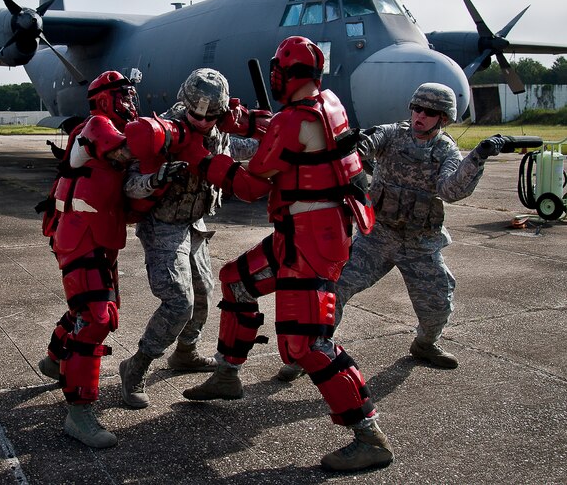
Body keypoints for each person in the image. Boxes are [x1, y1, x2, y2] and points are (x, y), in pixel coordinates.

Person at [183, 37, 394, 472]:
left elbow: (249, 185)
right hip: (304, 233)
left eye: (278, 70)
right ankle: (227, 375)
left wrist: (202, 160)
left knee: (307, 343)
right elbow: (287, 129)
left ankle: (369, 435)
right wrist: (242, 120)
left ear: (287, 74)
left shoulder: (293, 120)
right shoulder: (326, 104)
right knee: (235, 280)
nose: (274, 77)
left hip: (309, 242)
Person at [277, 82, 506, 379]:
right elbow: (368, 144)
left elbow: (450, 190)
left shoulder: (445, 150)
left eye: (430, 112)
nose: (420, 115)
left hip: (419, 243)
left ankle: (425, 344)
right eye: (417, 108)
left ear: (444, 118)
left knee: (438, 302)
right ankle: (307, 353)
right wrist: (354, 144)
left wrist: (478, 157)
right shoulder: (393, 134)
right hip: (377, 237)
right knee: (332, 288)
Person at [118, 68, 267, 410]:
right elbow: (130, 184)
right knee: (178, 302)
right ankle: (136, 367)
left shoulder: (218, 128)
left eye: (210, 116)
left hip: (194, 222)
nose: (201, 121)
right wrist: (156, 178)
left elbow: (236, 148)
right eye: (195, 114)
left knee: (204, 294)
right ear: (184, 102)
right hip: (164, 225)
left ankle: (185, 352)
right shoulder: (163, 134)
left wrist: (273, 141)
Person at [37, 70, 170, 449]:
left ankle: (53, 359)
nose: (131, 101)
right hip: (80, 236)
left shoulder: (116, 133)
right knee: (97, 318)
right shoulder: (97, 126)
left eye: (132, 93)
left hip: (97, 237)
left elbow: (129, 206)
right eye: (123, 94)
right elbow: (129, 149)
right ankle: (78, 413)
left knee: (91, 310)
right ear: (104, 99)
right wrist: (172, 134)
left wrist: (157, 184)